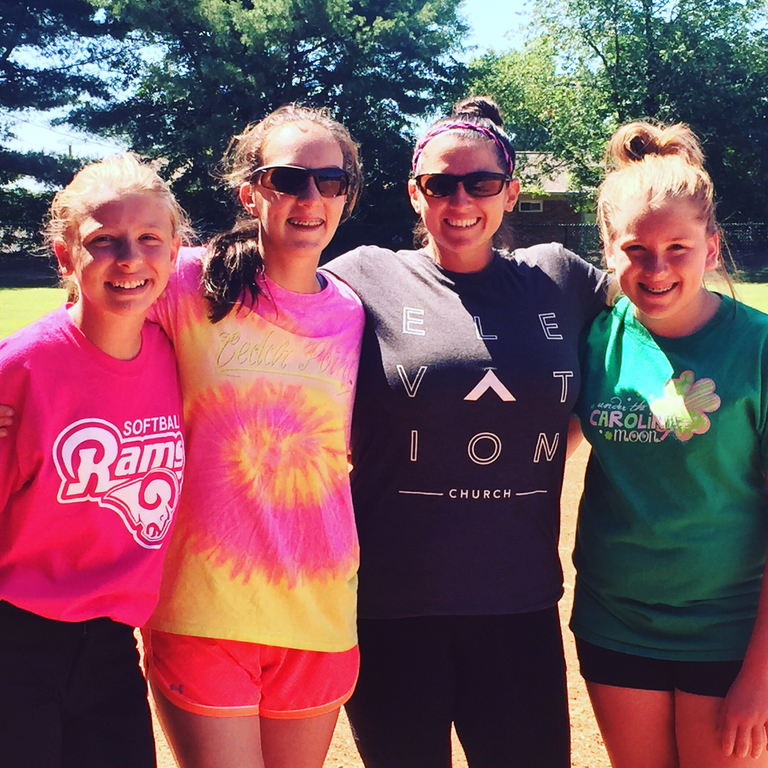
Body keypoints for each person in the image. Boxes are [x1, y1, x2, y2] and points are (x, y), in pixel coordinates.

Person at [323, 96, 613, 768]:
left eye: (481, 182)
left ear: (510, 192)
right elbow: (270, 310)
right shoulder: (365, 275)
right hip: (391, 604)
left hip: (518, 598)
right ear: (414, 193)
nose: (461, 201)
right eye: (440, 184)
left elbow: (659, 295)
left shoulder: (559, 276)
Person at [140, 104, 365, 768]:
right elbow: (81, 327)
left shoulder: (353, 312)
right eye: (288, 179)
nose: (310, 196)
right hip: (203, 610)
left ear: (347, 197)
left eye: (330, 181)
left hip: (319, 612)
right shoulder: (186, 281)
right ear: (250, 192)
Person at [571, 122, 768, 768]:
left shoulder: (758, 347)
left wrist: (760, 676)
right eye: (636, 248)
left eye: (677, 247)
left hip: (730, 631)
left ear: (711, 247)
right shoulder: (595, 339)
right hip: (614, 621)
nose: (656, 268)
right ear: (608, 249)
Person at [0, 153, 186, 768]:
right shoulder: (23, 367)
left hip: (111, 644)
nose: (129, 258)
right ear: (65, 255)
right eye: (103, 240)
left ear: (175, 250)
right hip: (16, 639)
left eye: (149, 238)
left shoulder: (179, 354)